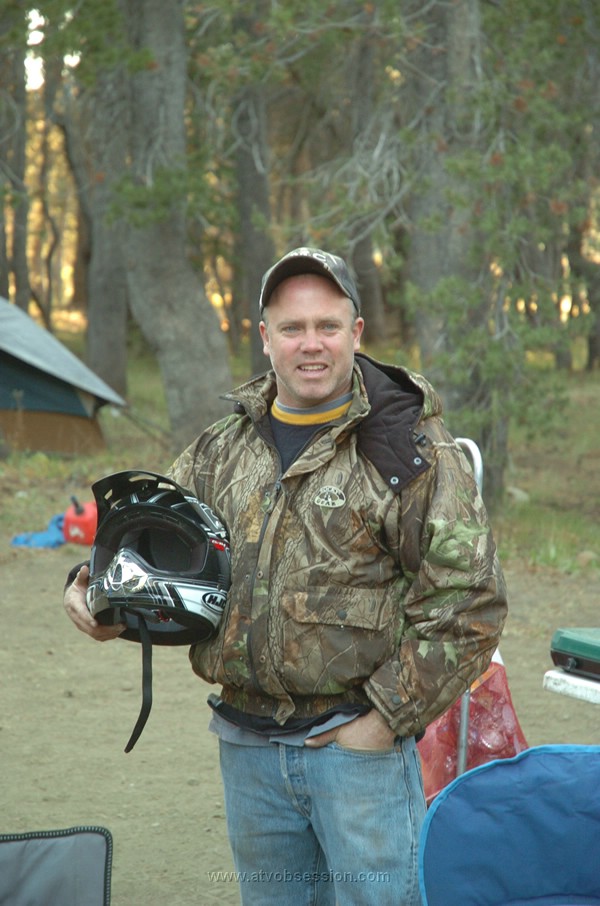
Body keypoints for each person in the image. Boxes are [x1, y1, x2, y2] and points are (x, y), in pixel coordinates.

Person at [64, 246, 508, 906]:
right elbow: (159, 543)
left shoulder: (407, 447)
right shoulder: (223, 446)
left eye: (328, 327)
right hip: (246, 747)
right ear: (265, 336)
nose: (311, 346)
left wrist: (382, 722)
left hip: (358, 753)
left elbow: (470, 602)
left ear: (356, 334)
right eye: (293, 328)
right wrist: (93, 590)